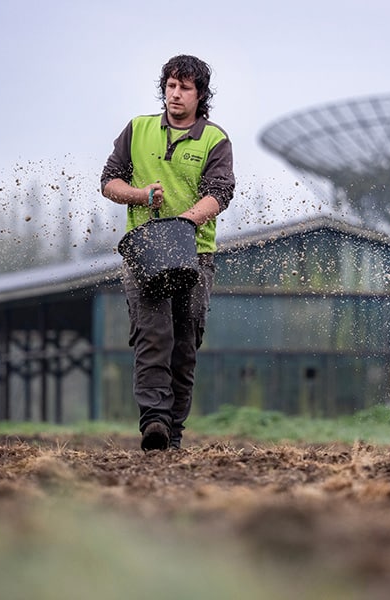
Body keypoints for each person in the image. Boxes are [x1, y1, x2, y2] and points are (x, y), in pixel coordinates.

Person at [101, 55, 235, 451]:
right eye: (171, 86)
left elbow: (220, 193)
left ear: (200, 95)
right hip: (145, 251)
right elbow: (109, 181)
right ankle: (154, 422)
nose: (175, 94)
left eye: (185, 88)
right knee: (152, 336)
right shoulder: (138, 129)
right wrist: (140, 194)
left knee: (183, 343)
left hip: (195, 253)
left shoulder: (215, 139)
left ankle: (174, 430)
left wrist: (186, 222)